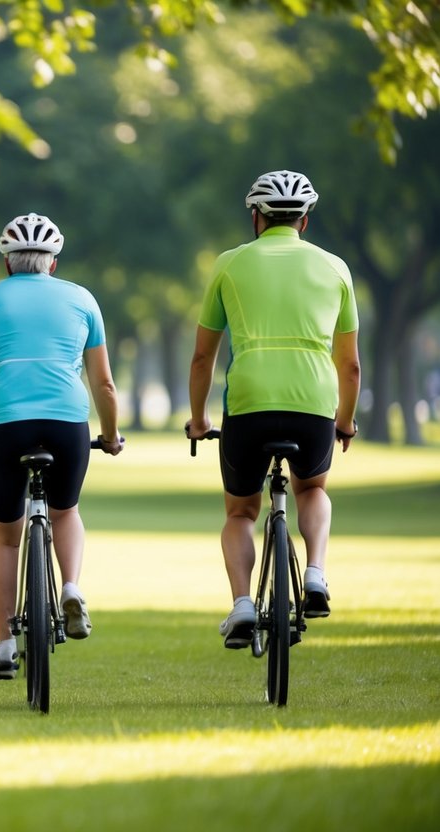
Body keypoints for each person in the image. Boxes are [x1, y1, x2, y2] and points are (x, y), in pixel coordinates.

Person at [186, 170, 360, 649]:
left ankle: (242, 603)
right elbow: (350, 367)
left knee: (241, 511)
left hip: (249, 402)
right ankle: (317, 572)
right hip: (313, 403)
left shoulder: (229, 263)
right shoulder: (336, 268)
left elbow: (203, 358)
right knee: (312, 488)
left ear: (256, 217)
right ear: (305, 220)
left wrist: (199, 420)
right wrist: (344, 420)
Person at [0, 213, 122, 681]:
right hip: (67, 420)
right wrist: (109, 434)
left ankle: (4, 644)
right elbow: (103, 382)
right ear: (53, 264)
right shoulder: (82, 299)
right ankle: (71, 586)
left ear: (7, 264)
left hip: (6, 421)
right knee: (65, 511)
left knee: (5, 536)